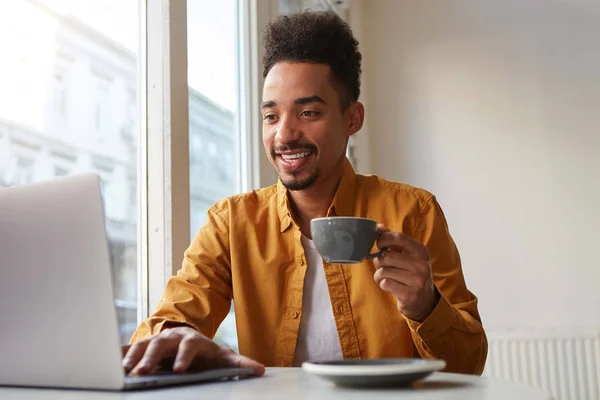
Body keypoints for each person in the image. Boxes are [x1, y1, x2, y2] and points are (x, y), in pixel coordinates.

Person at [122, 10, 487, 377]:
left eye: (308, 112)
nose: (284, 135)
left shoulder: (413, 211)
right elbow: (172, 318)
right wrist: (179, 338)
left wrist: (425, 305)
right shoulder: (232, 223)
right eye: (271, 116)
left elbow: (468, 367)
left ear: (352, 119)